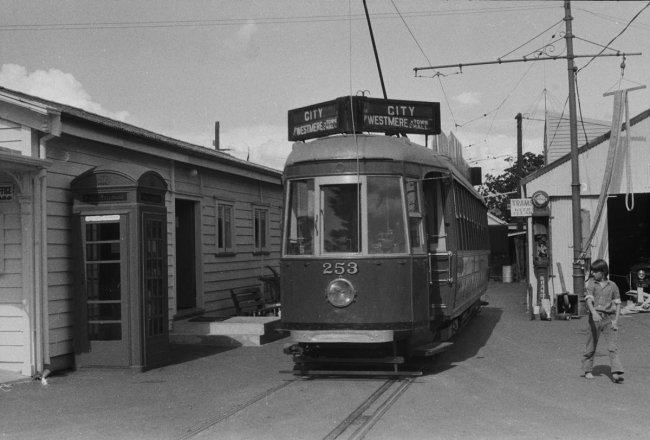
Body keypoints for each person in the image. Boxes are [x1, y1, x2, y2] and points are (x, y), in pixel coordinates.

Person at [582, 259, 624, 383]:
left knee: (612, 347)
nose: (593, 274)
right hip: (595, 318)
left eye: (595, 271)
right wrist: (593, 313)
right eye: (592, 271)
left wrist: (616, 320)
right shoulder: (591, 284)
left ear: (603, 272)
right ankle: (587, 370)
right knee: (591, 345)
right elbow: (589, 300)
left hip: (608, 319)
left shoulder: (613, 285)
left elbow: (617, 304)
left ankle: (616, 372)